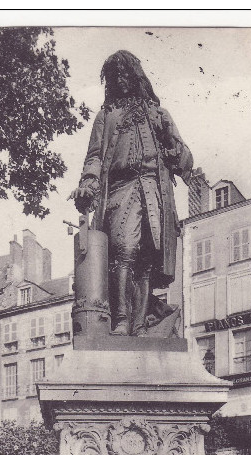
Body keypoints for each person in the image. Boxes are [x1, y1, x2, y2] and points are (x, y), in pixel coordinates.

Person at [71, 50, 193, 336]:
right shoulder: (106, 116)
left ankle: (139, 323)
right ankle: (122, 319)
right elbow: (94, 158)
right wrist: (88, 184)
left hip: (155, 191)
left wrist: (172, 146)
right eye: (116, 77)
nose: (122, 80)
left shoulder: (158, 115)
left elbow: (185, 158)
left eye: (126, 74)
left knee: (147, 260)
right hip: (121, 190)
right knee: (124, 251)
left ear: (137, 77)